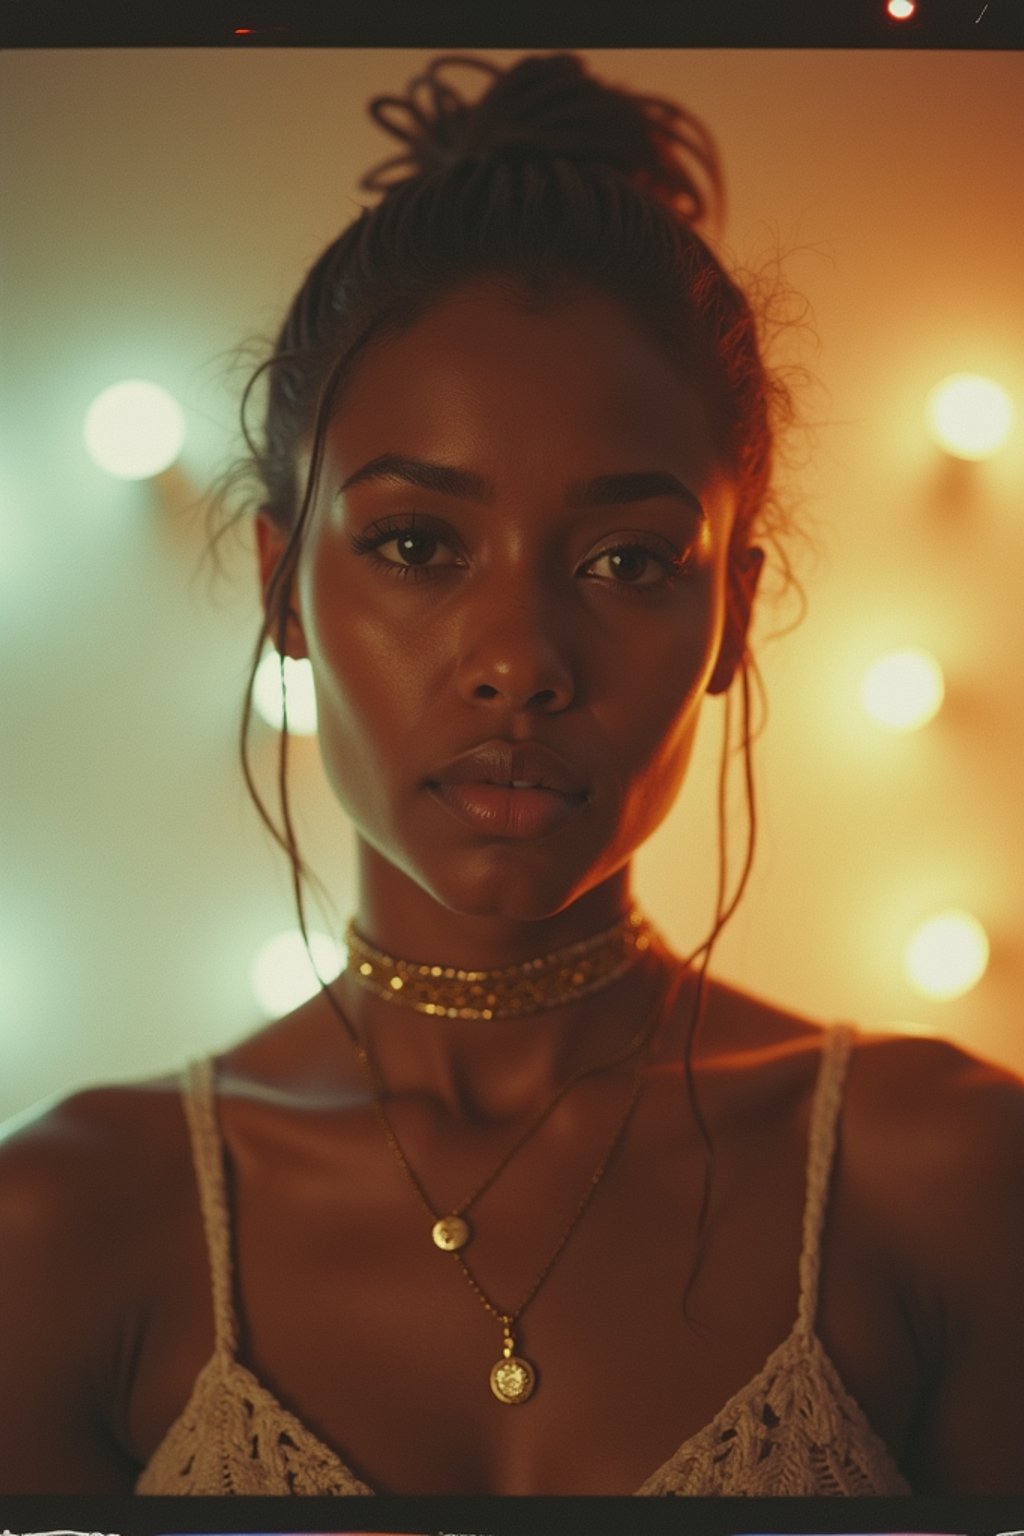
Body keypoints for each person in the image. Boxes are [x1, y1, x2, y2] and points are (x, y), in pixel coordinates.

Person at [1, 51, 1022, 1499]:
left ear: (732, 607)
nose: (520, 659)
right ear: (282, 585)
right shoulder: (65, 1227)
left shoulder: (952, 1183)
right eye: (418, 543)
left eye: (626, 560)